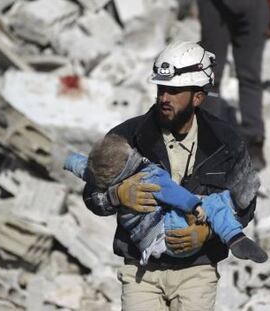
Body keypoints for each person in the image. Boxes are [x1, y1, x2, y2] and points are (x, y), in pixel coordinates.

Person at [83, 41, 260, 311]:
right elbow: (91, 195)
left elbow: (245, 204)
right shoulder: (127, 136)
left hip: (197, 272)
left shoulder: (226, 141)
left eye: (174, 91)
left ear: (198, 97)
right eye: (161, 89)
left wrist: (208, 232)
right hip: (141, 271)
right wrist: (117, 196)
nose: (164, 97)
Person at [64, 134, 268, 265]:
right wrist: (194, 205)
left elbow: (83, 167)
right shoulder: (148, 176)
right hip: (172, 233)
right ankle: (235, 237)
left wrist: (68, 160)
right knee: (212, 203)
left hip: (147, 243)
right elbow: (174, 193)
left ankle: (227, 207)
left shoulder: (101, 176)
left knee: (214, 204)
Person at [197, 0, 270, 170]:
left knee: (250, 76)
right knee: (211, 77)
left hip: (253, 7)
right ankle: (206, 144)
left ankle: (254, 142)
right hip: (215, 6)